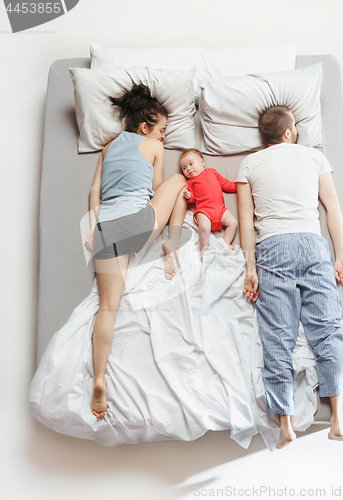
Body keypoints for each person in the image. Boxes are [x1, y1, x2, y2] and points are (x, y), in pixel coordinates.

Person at [236, 106, 343, 449]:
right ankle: (337, 417)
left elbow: (246, 221)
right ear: (288, 132)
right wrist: (340, 254)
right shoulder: (313, 156)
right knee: (326, 329)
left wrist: (250, 267)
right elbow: (332, 207)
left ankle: (285, 423)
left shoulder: (249, 163)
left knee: (278, 335)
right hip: (311, 244)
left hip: (272, 247)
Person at [84, 83, 188, 419]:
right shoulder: (152, 147)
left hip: (105, 230)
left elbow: (95, 191)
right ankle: (170, 241)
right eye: (162, 132)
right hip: (138, 224)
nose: (164, 138)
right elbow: (157, 189)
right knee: (177, 183)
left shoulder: (109, 146)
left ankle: (99, 380)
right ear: (145, 128)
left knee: (107, 309)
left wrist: (93, 226)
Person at [180, 148, 238, 260]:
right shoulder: (190, 182)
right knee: (204, 227)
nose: (189, 169)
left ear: (202, 162)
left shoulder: (212, 172)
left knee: (233, 223)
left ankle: (226, 242)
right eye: (184, 168)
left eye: (191, 164)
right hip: (203, 210)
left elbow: (226, 184)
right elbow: (192, 198)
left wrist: (239, 187)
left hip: (220, 209)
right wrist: (188, 196)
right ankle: (204, 248)